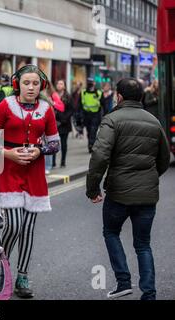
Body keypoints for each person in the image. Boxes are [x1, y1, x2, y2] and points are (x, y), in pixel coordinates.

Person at [86, 78, 170, 300]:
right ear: (141, 96)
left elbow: (100, 156)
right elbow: (164, 159)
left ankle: (123, 282)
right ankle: (149, 293)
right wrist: (149, 178)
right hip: (147, 195)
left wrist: (92, 188)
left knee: (111, 232)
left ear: (119, 96)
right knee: (143, 244)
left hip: (118, 194)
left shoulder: (112, 119)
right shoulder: (154, 121)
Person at [0, 65, 60, 299]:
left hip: (34, 173)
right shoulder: (5, 105)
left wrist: (40, 151)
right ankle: (2, 268)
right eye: (26, 83)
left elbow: (54, 143)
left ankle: (22, 275)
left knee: (28, 228)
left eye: (35, 83)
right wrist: (7, 153)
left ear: (41, 86)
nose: (31, 87)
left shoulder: (47, 109)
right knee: (14, 224)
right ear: (17, 84)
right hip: (8, 169)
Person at [53, 80, 74, 168]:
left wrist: (64, 119)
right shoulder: (53, 96)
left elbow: (71, 109)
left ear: (64, 86)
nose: (59, 85)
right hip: (55, 123)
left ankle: (63, 161)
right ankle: (53, 162)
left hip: (65, 123)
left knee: (63, 143)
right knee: (53, 143)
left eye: (61, 83)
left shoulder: (68, 96)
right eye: (58, 83)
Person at [81, 78, 102, 153]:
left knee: (93, 130)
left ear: (94, 83)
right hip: (87, 115)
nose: (90, 84)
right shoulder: (83, 92)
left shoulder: (98, 92)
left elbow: (102, 104)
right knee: (89, 131)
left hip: (95, 114)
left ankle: (91, 145)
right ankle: (90, 144)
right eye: (89, 82)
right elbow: (80, 104)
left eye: (91, 82)